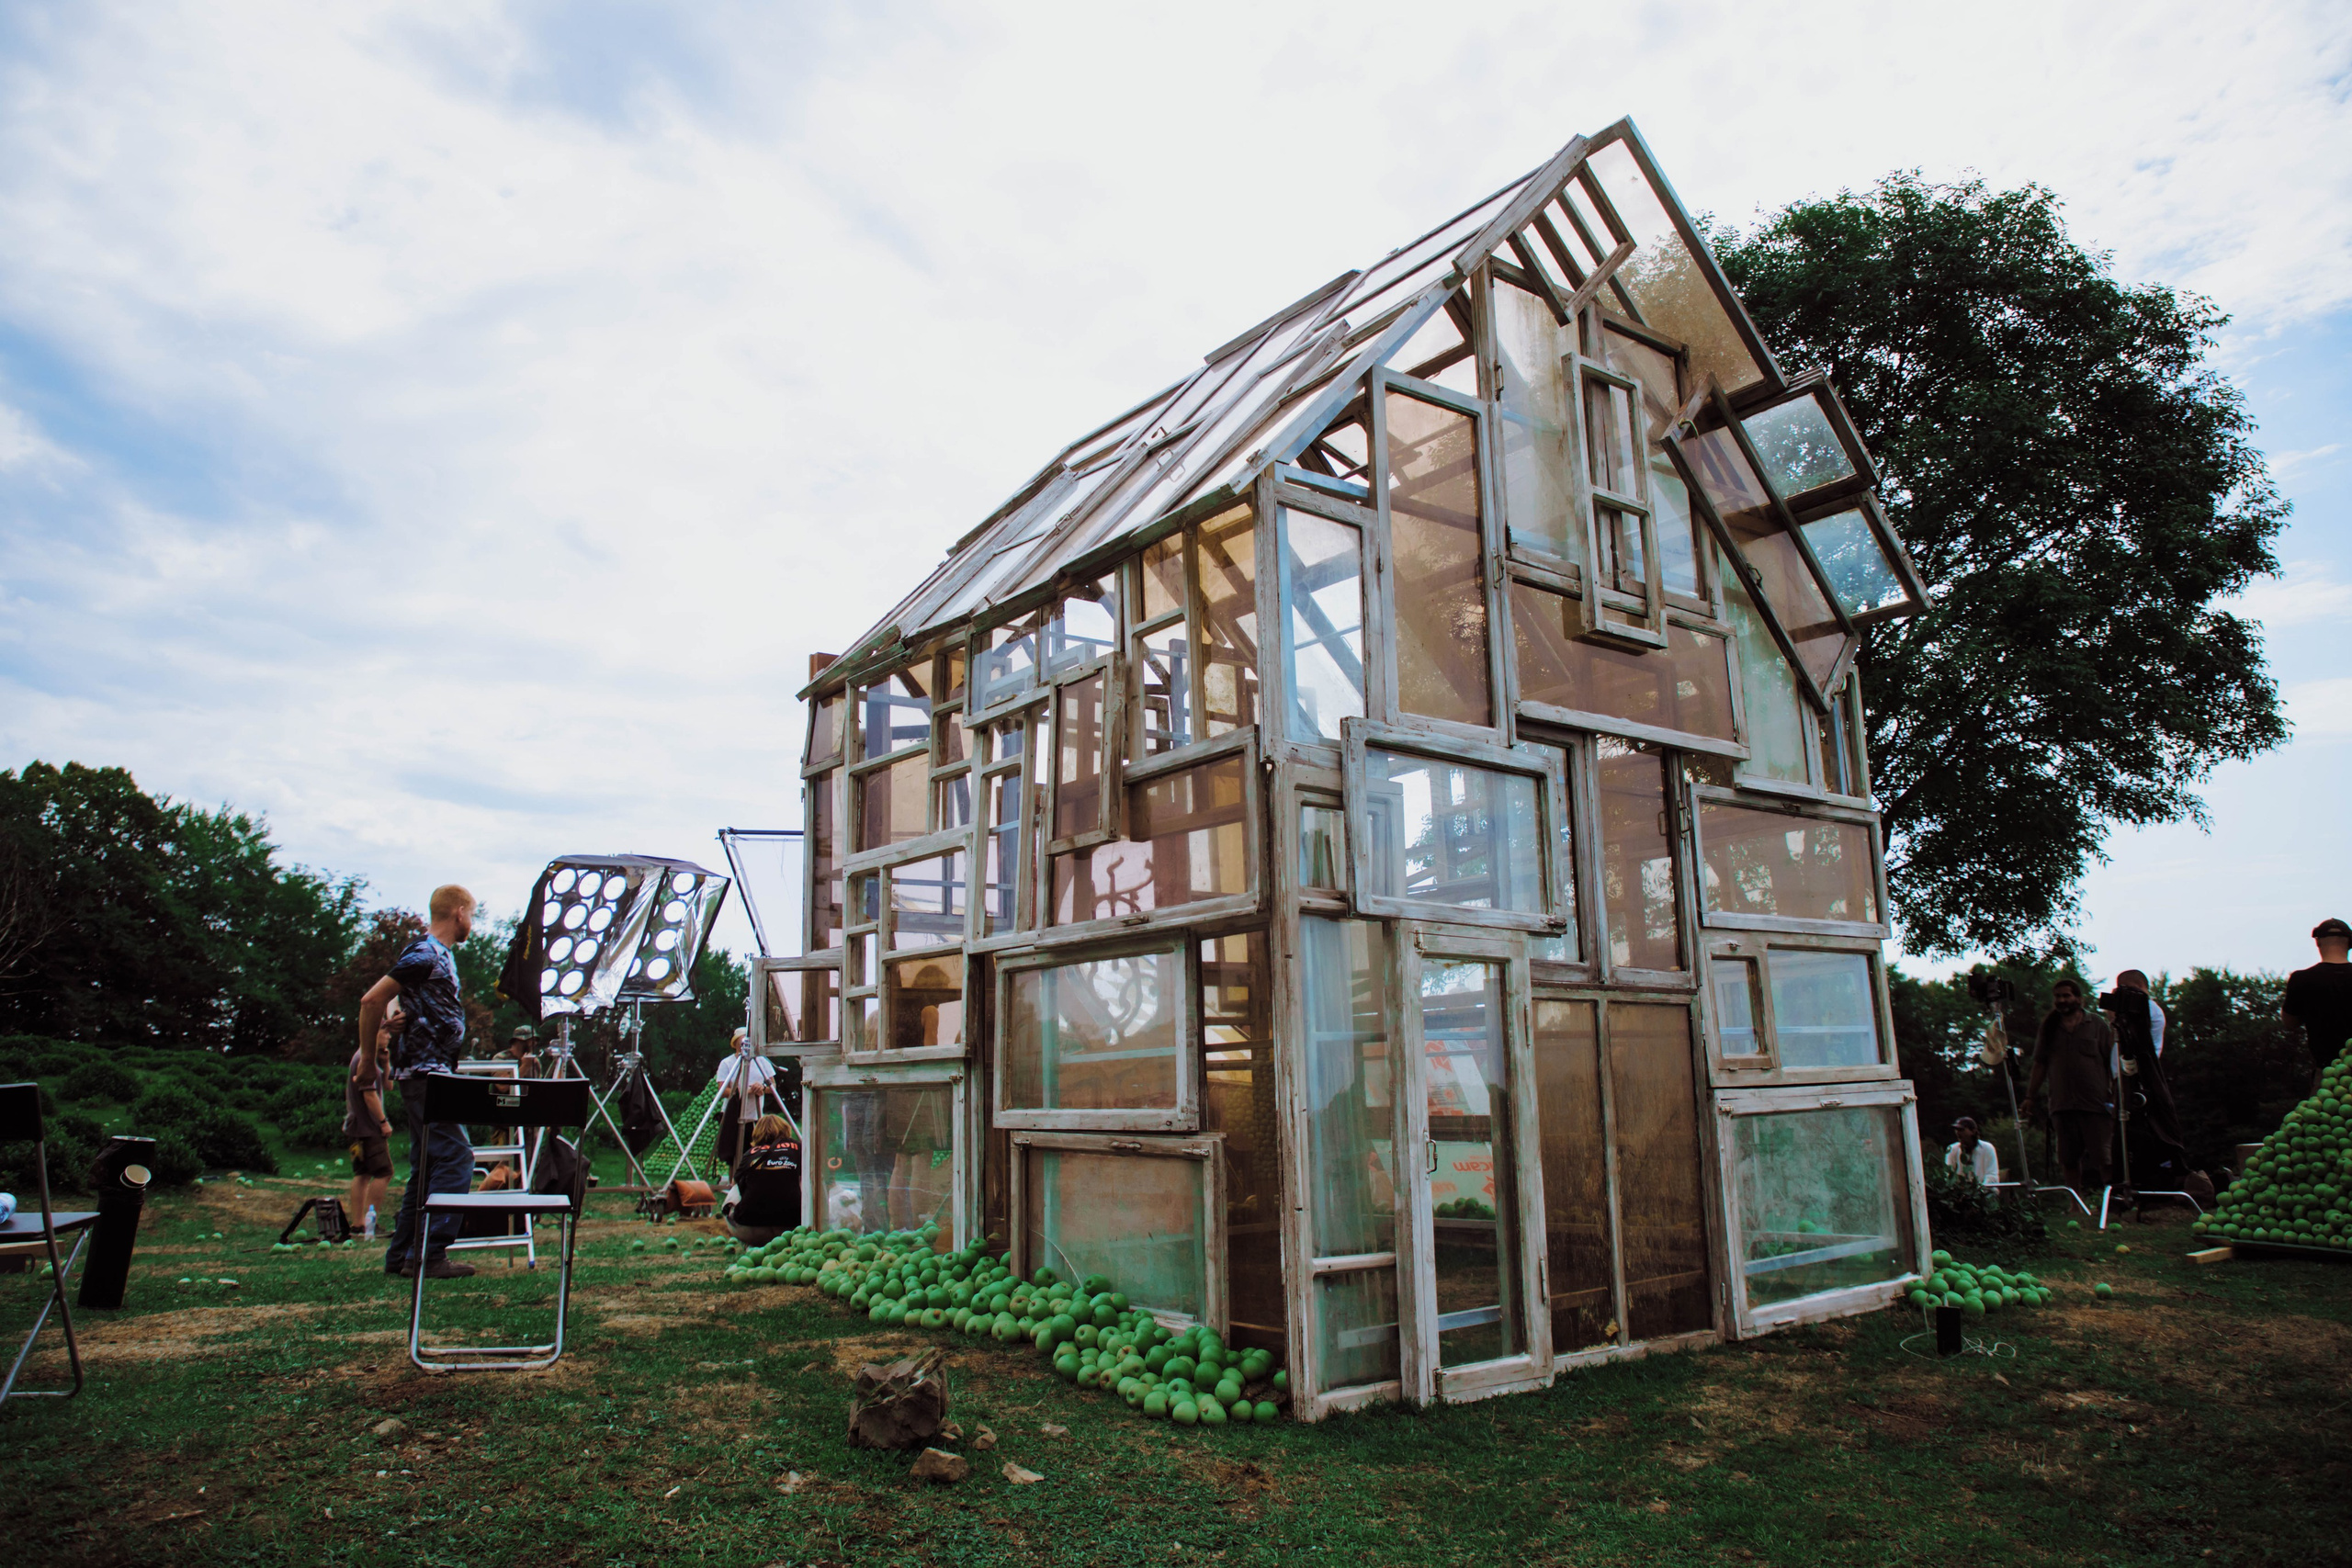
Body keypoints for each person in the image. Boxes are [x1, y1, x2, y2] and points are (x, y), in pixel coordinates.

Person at [359, 885, 479, 1280]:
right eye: (471, 916)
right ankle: (430, 1253)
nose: (470, 924)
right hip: (428, 1075)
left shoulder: (432, 955)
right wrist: (367, 1065)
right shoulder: (427, 953)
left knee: (427, 1166)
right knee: (458, 1157)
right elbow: (371, 999)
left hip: (428, 1072)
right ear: (459, 913)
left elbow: (397, 997)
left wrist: (400, 1015)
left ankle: (401, 1256)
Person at [2023, 977, 2119, 1196]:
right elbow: (2039, 1064)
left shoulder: (2097, 1025)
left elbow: (2113, 1062)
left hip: (2096, 1103)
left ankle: (2114, 1200)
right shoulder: (2049, 1028)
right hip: (2062, 1103)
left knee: (2105, 1157)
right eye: (2058, 996)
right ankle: (2075, 1203)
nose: (2062, 1000)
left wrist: (2116, 1095)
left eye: (2067, 995)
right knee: (2068, 1158)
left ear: (2079, 998)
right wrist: (2030, 1096)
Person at [345, 998, 400, 1237]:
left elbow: (387, 1087)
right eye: (385, 1033)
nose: (388, 1038)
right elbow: (370, 1096)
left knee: (362, 1173)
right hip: (369, 1128)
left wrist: (387, 1064)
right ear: (375, 1033)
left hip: (356, 1127)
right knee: (384, 1172)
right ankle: (370, 1222)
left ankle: (357, 1223)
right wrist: (383, 1122)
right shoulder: (363, 1061)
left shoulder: (369, 1060)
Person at [2283, 918, 2352, 1094]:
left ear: (2318, 942)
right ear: (2350, 944)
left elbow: (2289, 1022)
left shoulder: (2301, 979)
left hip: (2327, 1079)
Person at [722, 1112, 804, 1246]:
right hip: (792, 1227)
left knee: (737, 1187)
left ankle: (750, 1245)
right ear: (785, 1129)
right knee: (802, 1179)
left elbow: (734, 1184)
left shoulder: (751, 1153)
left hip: (750, 1229)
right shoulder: (798, 1148)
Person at [711, 1028, 776, 1172]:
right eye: (740, 1043)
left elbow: (772, 1086)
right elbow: (722, 1090)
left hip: (754, 1115)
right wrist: (745, 1091)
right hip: (733, 1114)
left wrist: (761, 1088)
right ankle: (734, 1184)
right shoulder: (727, 1063)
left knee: (755, 1152)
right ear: (735, 1044)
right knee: (733, 1154)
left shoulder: (762, 1061)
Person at [1944, 1115, 2000, 1191]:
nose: (1958, 1133)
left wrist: (1980, 1191)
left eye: (1961, 1130)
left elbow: (1992, 1176)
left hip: (1984, 1192)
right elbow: (1949, 1174)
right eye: (1956, 1130)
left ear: (1973, 1131)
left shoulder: (1987, 1148)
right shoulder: (1952, 1149)